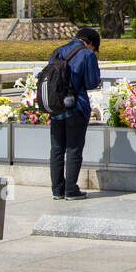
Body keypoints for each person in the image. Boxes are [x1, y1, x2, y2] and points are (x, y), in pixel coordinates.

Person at [49, 26, 102, 200]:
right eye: (95, 47)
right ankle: (71, 190)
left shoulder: (57, 52)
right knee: (73, 149)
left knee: (57, 149)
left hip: (56, 107)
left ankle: (57, 190)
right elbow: (91, 82)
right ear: (91, 43)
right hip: (76, 107)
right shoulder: (87, 55)